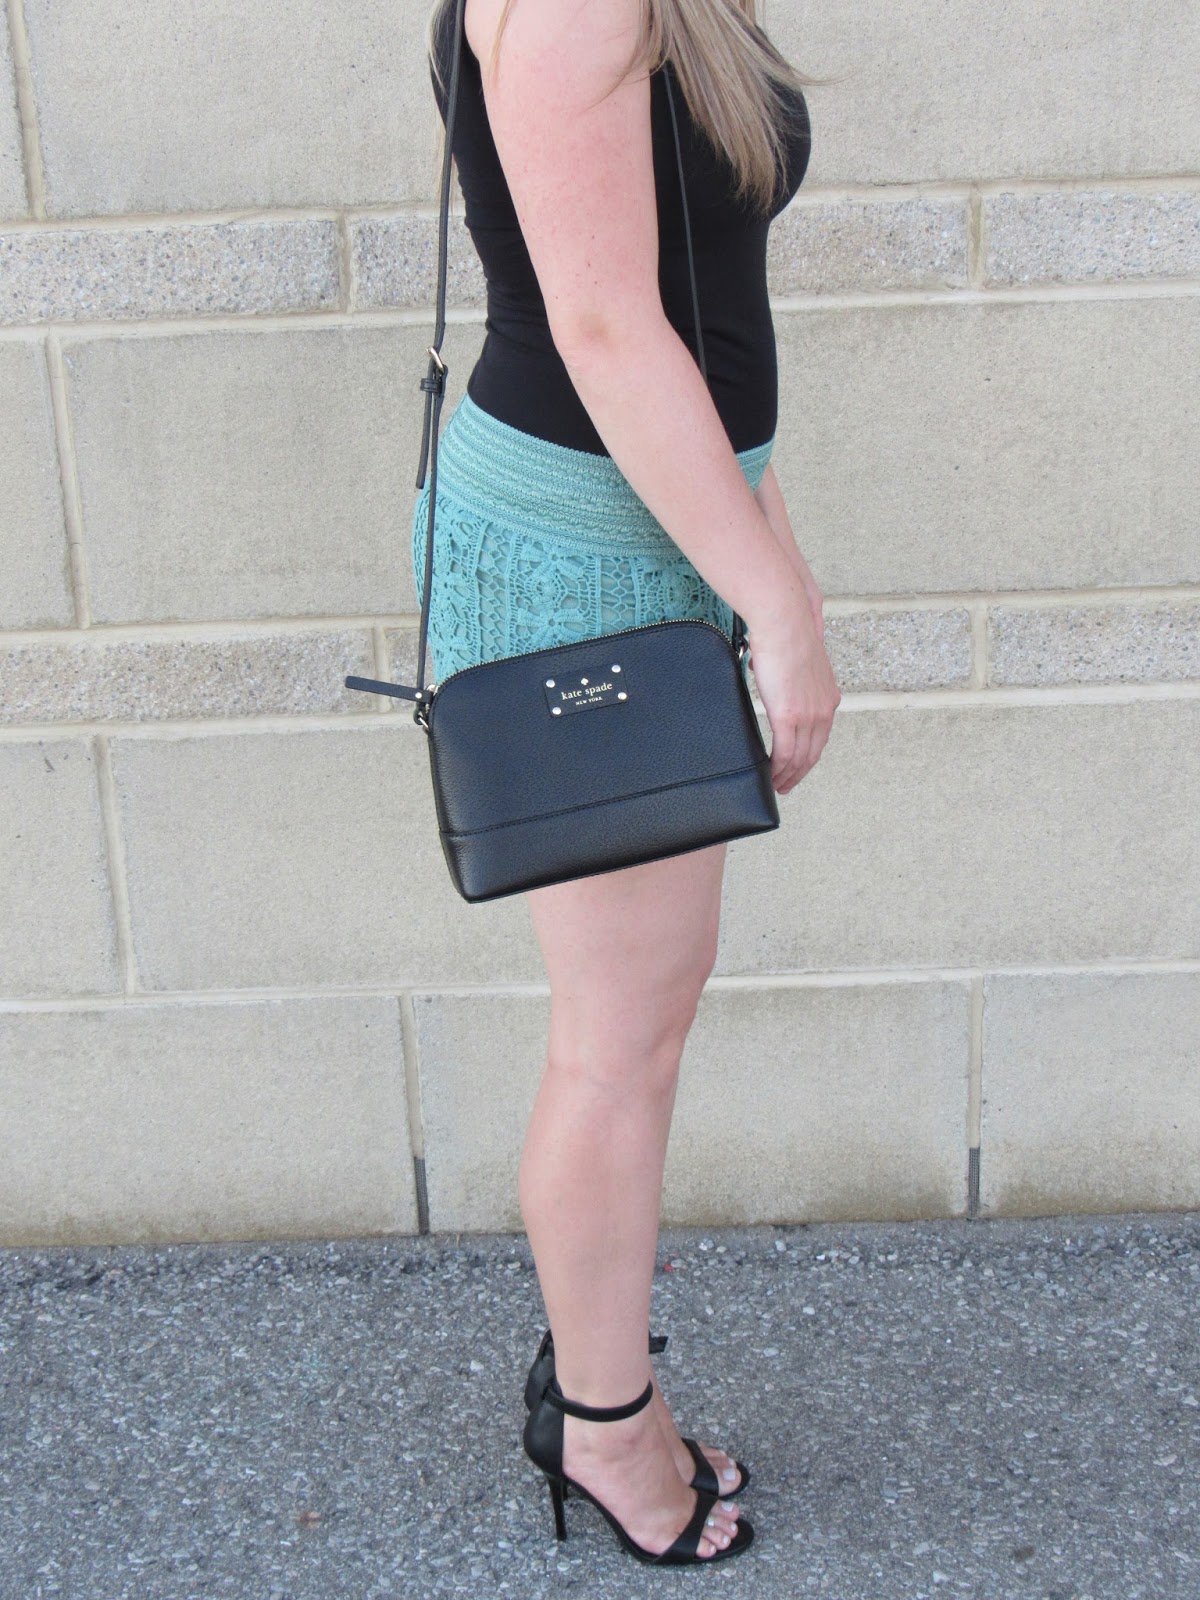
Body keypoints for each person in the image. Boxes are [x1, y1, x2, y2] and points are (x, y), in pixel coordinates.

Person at [415, 0, 841, 1567]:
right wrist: (777, 609)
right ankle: (602, 1424)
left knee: (639, 1022)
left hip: (658, 519)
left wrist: (770, 546)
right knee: (619, 1042)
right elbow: (604, 328)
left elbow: (698, 301)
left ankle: (601, 1387)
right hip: (592, 550)